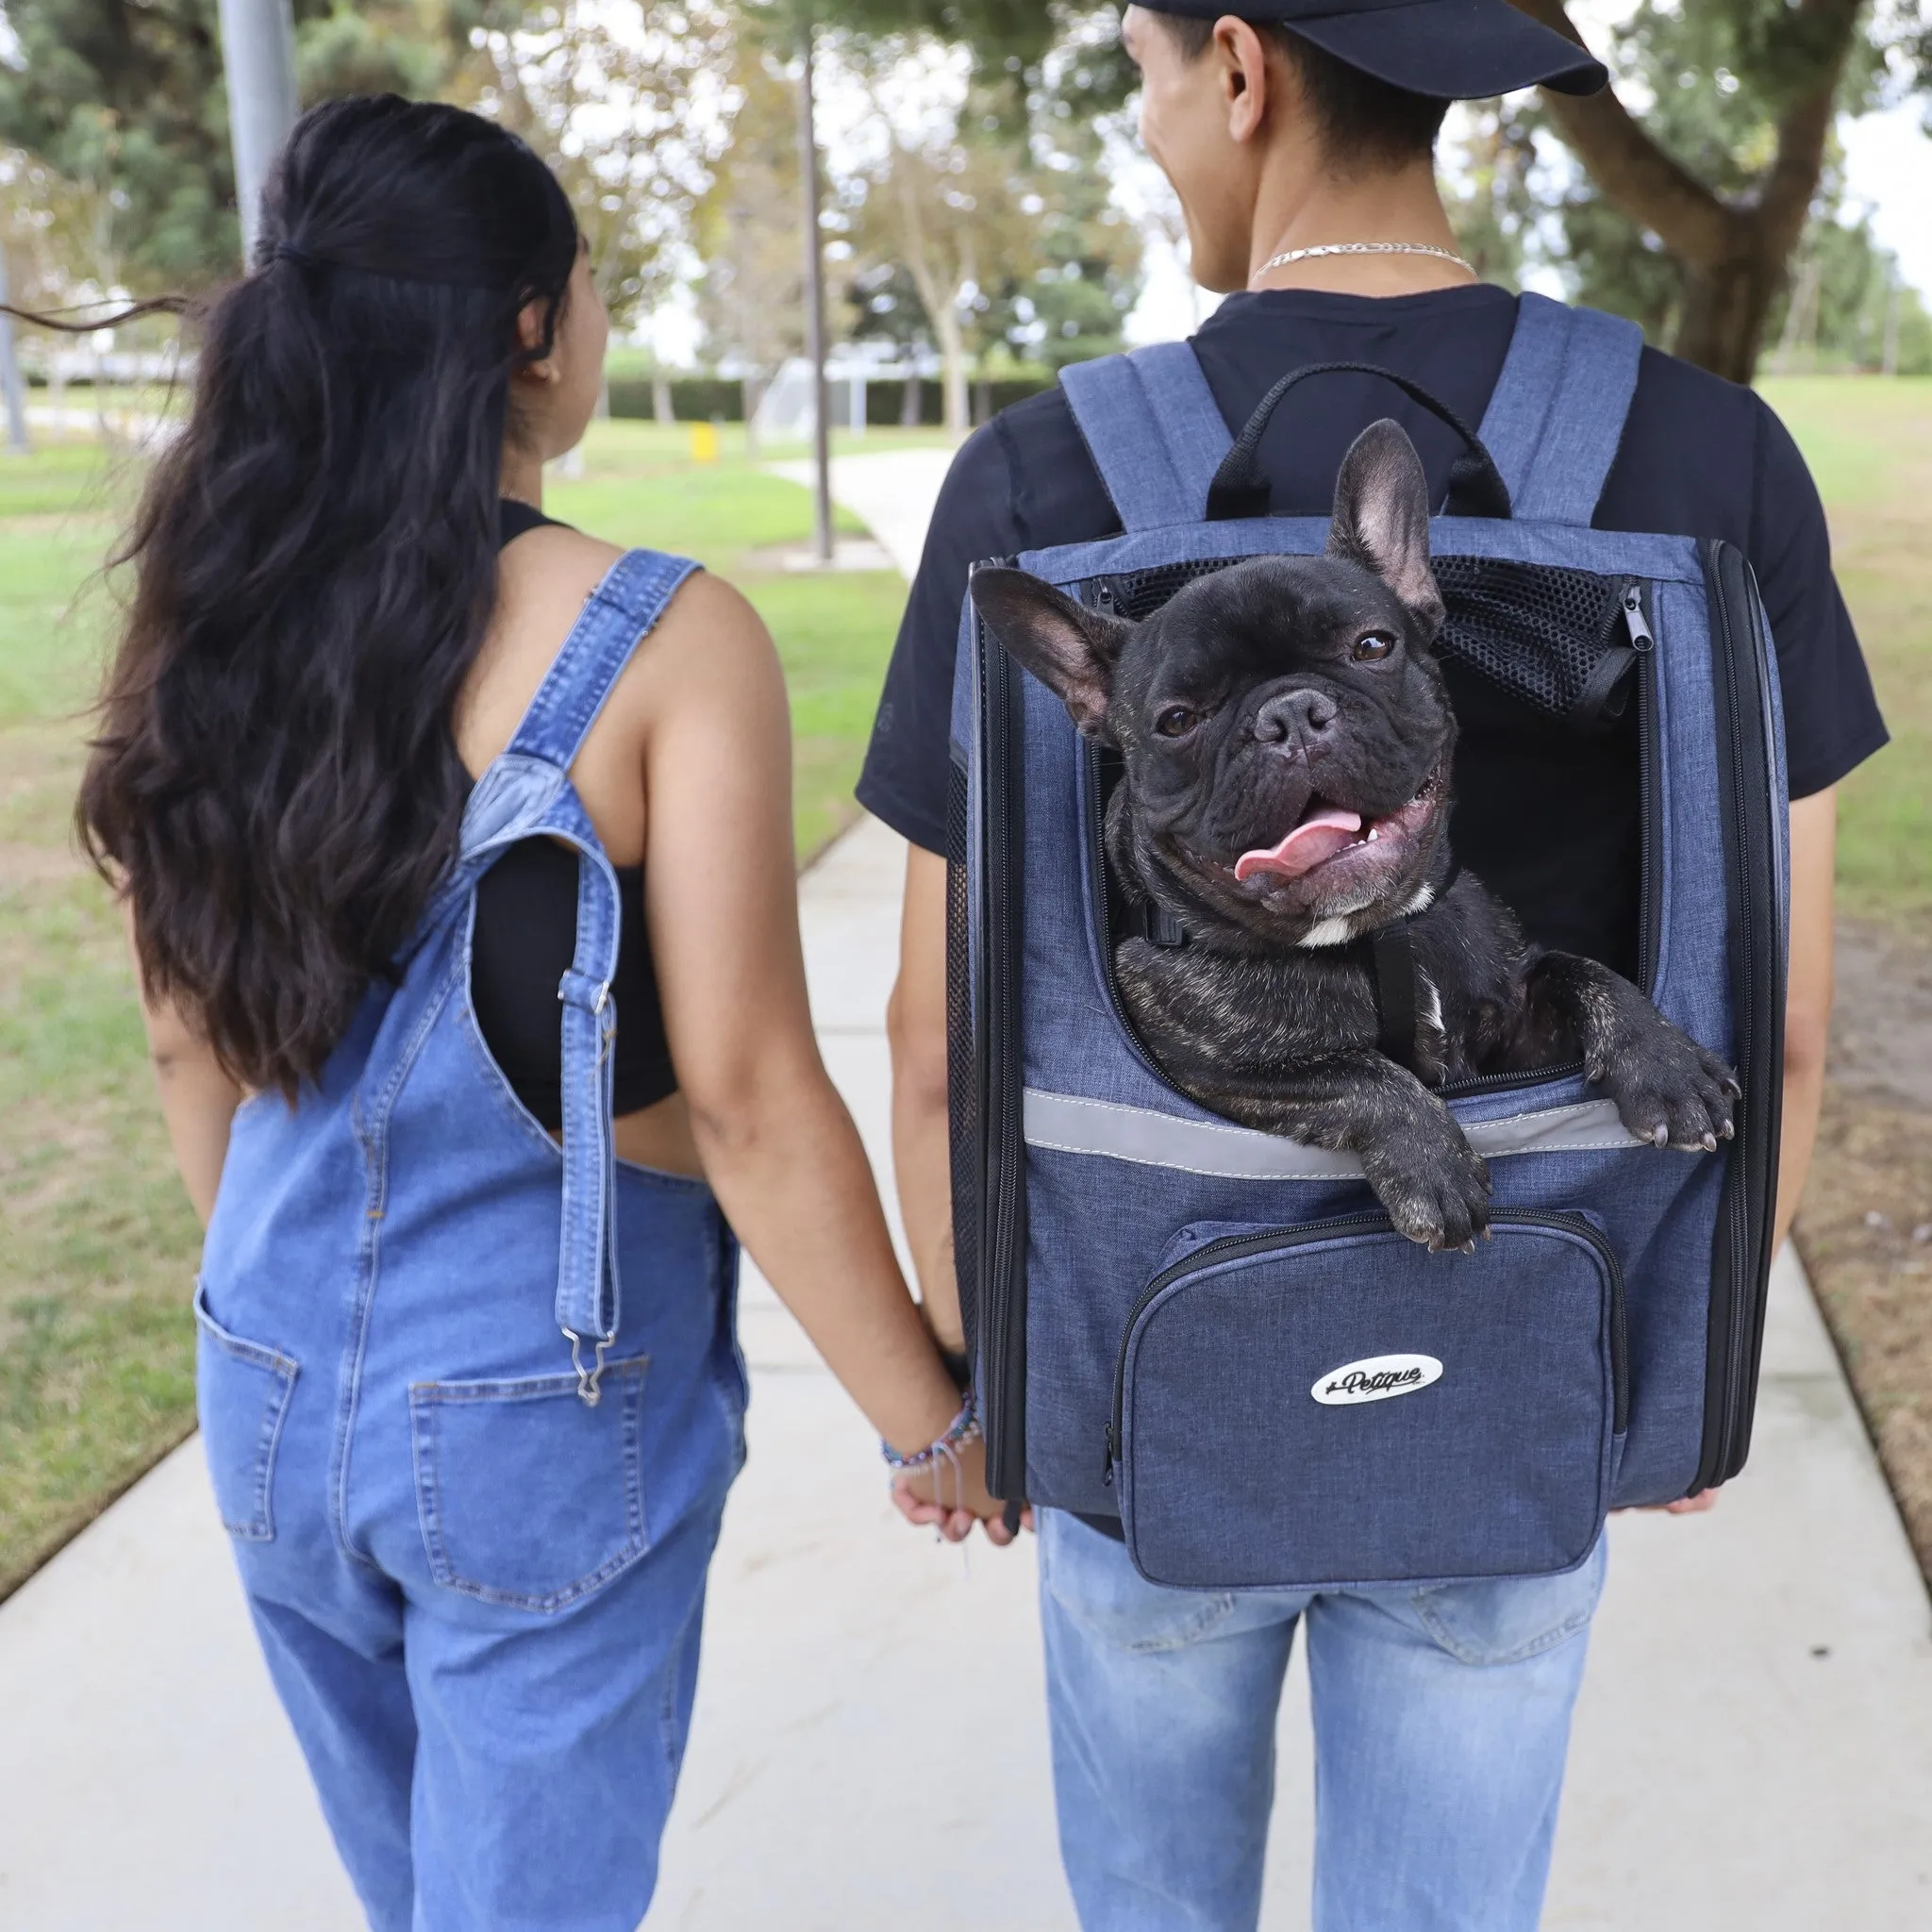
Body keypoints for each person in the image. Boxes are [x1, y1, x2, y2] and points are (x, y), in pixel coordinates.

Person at [868, 5, 1887, 1927]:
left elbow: (939, 1041)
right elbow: (1787, 1010)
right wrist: (1685, 1363)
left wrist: (981, 1394)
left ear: (1235, 71)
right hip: (1519, 1362)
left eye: (1148, 82)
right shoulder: (1708, 452)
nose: (1158, 129)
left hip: (1139, 1388)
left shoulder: (1035, 474)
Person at [58, 95, 1003, 1931]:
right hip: (533, 1420)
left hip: (259, 1376)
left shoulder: (207, 621)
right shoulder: (661, 641)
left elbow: (189, 1040)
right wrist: (929, 1421)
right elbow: (740, 1092)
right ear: (527, 328)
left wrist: (299, 1320)